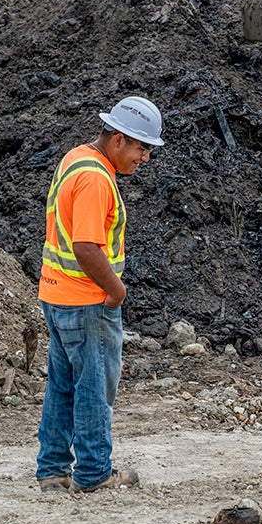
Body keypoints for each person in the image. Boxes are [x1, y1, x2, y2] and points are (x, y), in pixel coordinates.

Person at [35, 96, 165, 493]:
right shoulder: (95, 178)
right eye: (142, 148)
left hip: (56, 295)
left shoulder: (77, 158)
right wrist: (117, 291)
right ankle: (93, 473)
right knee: (94, 388)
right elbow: (87, 247)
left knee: (62, 385)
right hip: (86, 301)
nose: (145, 158)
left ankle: (53, 470)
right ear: (119, 139)